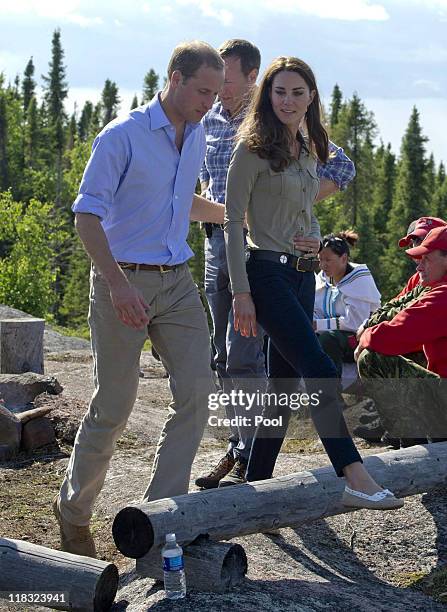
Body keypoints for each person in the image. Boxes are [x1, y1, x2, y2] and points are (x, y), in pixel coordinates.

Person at [53, 41, 226, 558]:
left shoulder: (195, 135)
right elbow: (86, 216)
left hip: (177, 282)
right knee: (114, 405)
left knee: (198, 392)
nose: (207, 103)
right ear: (174, 78)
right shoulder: (122, 136)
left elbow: (180, 202)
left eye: (215, 94)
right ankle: (74, 515)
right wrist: (118, 284)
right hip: (120, 281)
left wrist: (235, 217)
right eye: (201, 91)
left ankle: (159, 517)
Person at [224, 55, 403, 510]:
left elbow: (300, 206)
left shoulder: (307, 149)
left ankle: (253, 484)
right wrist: (241, 293)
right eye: (279, 91)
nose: (287, 100)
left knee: (282, 386)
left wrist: (310, 236)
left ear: (311, 97)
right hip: (264, 273)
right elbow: (231, 223)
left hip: (303, 274)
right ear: (267, 95)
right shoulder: (251, 149)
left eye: (297, 92)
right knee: (320, 369)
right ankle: (354, 475)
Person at [196, 39, 358, 489]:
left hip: (271, 254)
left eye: (226, 78)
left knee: (262, 358)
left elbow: (342, 169)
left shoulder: (285, 132)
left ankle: (256, 457)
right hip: (219, 246)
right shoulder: (203, 121)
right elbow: (204, 196)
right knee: (229, 355)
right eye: (213, 80)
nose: (218, 87)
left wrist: (285, 217)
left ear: (252, 78)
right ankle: (244, 449)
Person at [354, 216, 447, 446]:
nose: (418, 265)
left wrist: (365, 336)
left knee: (371, 358)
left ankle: (414, 447)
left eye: (426, 257)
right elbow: (395, 309)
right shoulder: (433, 286)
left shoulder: (442, 295)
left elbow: (392, 336)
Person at [314, 230, 380, 378]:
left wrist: (318, 325)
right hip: (337, 337)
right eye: (320, 260)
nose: (323, 265)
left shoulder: (359, 280)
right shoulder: (323, 278)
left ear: (343, 258)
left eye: (328, 260)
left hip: (360, 338)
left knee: (328, 339)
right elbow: (316, 308)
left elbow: (355, 322)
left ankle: (331, 393)